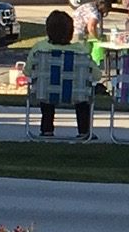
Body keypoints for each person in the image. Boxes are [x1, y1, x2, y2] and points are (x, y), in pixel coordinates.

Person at [26, 10, 96, 139]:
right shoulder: (81, 50)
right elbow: (96, 75)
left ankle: (47, 129)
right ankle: (84, 130)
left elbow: (28, 71)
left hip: (46, 92)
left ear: (48, 30)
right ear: (71, 32)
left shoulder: (39, 49)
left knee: (47, 91)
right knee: (82, 99)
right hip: (75, 93)